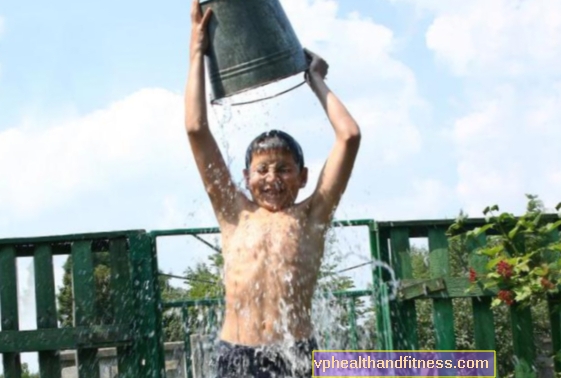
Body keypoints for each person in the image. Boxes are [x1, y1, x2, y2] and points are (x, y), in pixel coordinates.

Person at [185, 0, 361, 376]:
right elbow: (196, 129)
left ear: (303, 177)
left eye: (284, 169)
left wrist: (314, 79)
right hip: (237, 355)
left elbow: (349, 136)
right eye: (262, 170)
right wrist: (197, 54)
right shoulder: (234, 214)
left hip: (295, 354)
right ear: (246, 178)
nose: (272, 178)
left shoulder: (313, 215)